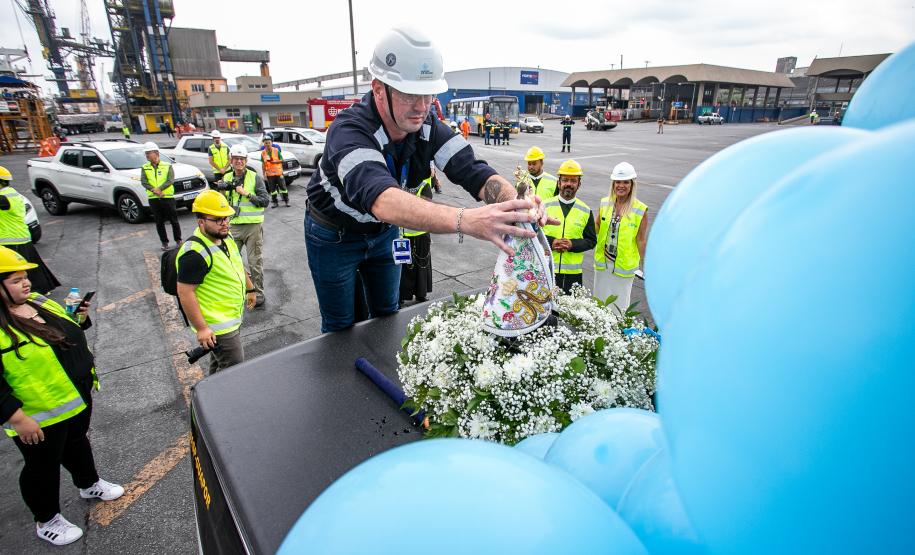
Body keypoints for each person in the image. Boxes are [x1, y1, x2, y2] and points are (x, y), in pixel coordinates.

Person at [304, 26, 551, 333]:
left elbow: (473, 170)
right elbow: (382, 199)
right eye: (409, 94)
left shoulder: (428, 125)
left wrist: (517, 203)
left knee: (386, 315)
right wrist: (467, 220)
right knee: (339, 326)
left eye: (428, 93)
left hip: (382, 234)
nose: (422, 106)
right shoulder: (349, 130)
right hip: (333, 235)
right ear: (378, 88)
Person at [0, 246, 124, 546]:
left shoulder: (37, 302)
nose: (26, 283)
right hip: (37, 415)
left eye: (26, 276)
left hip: (74, 398)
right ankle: (47, 519)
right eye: (16, 280)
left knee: (77, 445)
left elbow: (65, 334)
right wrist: (16, 418)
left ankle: (88, 483)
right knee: (42, 467)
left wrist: (77, 318)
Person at [176, 191, 257, 373]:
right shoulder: (194, 253)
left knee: (220, 367)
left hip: (229, 318)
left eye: (226, 218)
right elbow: (185, 293)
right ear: (201, 221)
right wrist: (202, 329)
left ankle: (206, 399)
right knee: (233, 370)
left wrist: (250, 290)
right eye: (218, 219)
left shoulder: (225, 238)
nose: (225, 223)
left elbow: (236, 265)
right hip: (219, 326)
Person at [593, 162, 648, 311]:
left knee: (619, 307)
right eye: (618, 182)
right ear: (613, 184)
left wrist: (646, 266)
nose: (621, 186)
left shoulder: (640, 210)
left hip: (624, 268)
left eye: (625, 182)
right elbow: (596, 227)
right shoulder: (605, 203)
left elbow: (641, 240)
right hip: (603, 264)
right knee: (600, 304)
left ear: (632, 184)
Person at [219, 145, 269, 307]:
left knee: (255, 262)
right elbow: (221, 203)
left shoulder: (255, 177)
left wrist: (246, 193)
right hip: (232, 226)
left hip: (253, 227)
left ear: (246, 161)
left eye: (241, 159)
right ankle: (240, 291)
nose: (239, 162)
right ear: (231, 161)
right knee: (231, 262)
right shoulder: (226, 178)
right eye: (235, 159)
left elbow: (264, 201)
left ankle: (258, 293)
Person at [0, 166, 59, 294]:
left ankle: (30, 291)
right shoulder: (12, 193)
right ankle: (42, 289)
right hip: (20, 237)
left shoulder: (3, 197)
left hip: (11, 240)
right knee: (31, 266)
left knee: (14, 269)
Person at [543, 160, 596, 293]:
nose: (569, 184)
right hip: (546, 268)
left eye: (573, 181)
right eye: (565, 180)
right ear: (559, 182)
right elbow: (534, 233)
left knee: (568, 312)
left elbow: (591, 241)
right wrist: (552, 242)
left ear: (579, 184)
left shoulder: (585, 211)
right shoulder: (544, 206)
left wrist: (572, 244)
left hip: (573, 274)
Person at [140, 142, 183, 251]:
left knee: (174, 220)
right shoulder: (145, 167)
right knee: (159, 222)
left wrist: (160, 189)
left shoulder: (167, 166)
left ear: (156, 153)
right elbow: (144, 182)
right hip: (154, 199)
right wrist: (154, 190)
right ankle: (164, 242)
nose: (147, 155)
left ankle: (178, 240)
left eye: (148, 153)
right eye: (146, 153)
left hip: (167, 197)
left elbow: (170, 180)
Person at [399, 174, 434, 304]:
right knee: (411, 265)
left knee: (415, 264)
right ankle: (409, 294)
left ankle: (414, 294)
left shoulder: (423, 185)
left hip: (414, 234)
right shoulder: (399, 185)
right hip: (408, 234)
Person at [260, 133, 289, 208]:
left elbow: (282, 160)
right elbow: (263, 164)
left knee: (283, 188)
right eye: (266, 143)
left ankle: (286, 201)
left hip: (279, 173)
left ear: (271, 143)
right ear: (264, 144)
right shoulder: (263, 153)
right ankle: (275, 202)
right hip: (270, 175)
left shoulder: (276, 150)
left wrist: (275, 162)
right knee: (272, 190)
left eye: (269, 142)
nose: (267, 144)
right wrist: (264, 174)